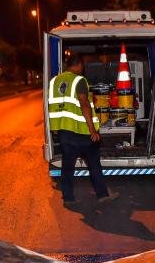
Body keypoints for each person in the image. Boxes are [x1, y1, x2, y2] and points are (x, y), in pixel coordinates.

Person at [48, 52, 118, 205]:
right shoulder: (79, 80)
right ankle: (102, 195)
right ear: (79, 65)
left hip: (64, 132)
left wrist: (55, 130)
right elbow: (83, 103)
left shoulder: (54, 81)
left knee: (67, 166)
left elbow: (53, 106)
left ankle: (68, 198)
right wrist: (93, 130)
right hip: (82, 132)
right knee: (94, 164)